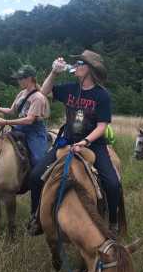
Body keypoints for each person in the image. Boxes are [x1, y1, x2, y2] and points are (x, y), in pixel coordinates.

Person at [28, 50, 121, 235]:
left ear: (90, 69)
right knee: (35, 175)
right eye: (76, 63)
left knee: (112, 183)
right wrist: (54, 72)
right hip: (66, 141)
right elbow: (43, 93)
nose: (76, 66)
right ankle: (36, 217)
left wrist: (85, 141)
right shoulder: (70, 88)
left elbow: (102, 126)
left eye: (80, 63)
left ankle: (113, 223)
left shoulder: (102, 95)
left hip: (94, 144)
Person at [0, 64, 50, 167]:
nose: (18, 81)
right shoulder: (21, 93)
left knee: (38, 160)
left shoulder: (38, 97)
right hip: (19, 128)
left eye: (21, 78)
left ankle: (42, 179)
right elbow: (12, 111)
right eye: (18, 78)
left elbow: (29, 120)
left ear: (30, 78)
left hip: (34, 131)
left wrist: (6, 122)